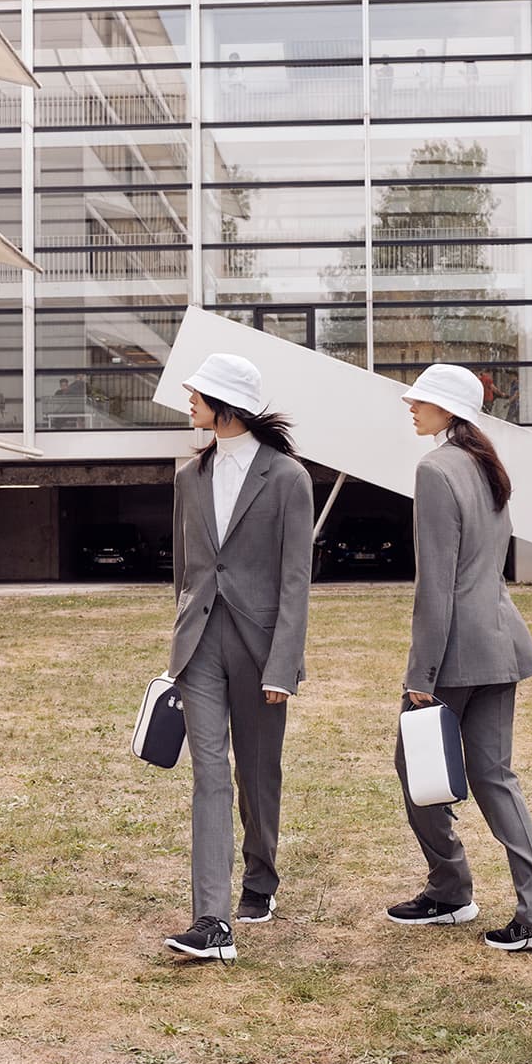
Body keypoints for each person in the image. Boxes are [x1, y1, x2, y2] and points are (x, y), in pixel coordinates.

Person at [387, 363, 532, 953]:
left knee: (416, 766)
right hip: (500, 639)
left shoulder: (436, 468)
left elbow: (435, 584)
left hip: (459, 649)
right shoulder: (486, 464)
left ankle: (449, 890)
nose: (411, 406)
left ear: (448, 411)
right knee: (494, 777)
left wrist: (421, 675)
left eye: (421, 400)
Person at [163, 353, 314, 962]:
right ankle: (211, 920)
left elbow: (296, 580)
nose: (188, 400)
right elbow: (185, 571)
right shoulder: (187, 478)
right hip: (199, 643)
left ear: (226, 402)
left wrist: (284, 664)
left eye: (196, 393)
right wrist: (179, 632)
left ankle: (260, 879)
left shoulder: (287, 478)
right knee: (207, 775)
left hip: (260, 646)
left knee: (255, 773)